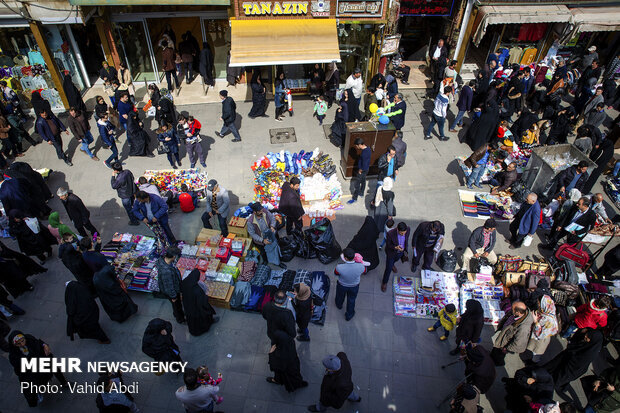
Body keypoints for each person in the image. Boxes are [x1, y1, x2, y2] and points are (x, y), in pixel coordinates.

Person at [262, 289, 308, 392]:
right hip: (285, 342)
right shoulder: (287, 314)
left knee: (276, 359)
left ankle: (277, 379)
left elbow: (264, 316)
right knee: (291, 363)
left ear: (274, 298)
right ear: (284, 300)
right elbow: (292, 333)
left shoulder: (267, 306)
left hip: (273, 336)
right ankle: (295, 382)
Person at [8, 331, 69, 407]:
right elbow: (19, 369)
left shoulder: (29, 338)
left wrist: (44, 345)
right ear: (14, 345)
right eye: (18, 344)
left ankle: (64, 383)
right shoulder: (13, 355)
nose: (22, 344)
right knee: (34, 385)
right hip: (31, 372)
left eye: (23, 341)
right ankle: (37, 394)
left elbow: (38, 342)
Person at [543, 328, 604, 392]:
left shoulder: (589, 354)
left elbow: (576, 360)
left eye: (589, 336)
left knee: (554, 380)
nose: (586, 336)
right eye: (587, 334)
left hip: (571, 370)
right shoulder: (588, 345)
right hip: (567, 361)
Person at [491, 301, 534, 366]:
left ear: (518, 312)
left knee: (498, 355)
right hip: (503, 335)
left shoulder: (523, 328)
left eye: (512, 309)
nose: (511, 310)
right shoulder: (519, 314)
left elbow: (518, 343)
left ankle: (496, 363)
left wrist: (507, 348)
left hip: (504, 344)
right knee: (495, 350)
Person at [181, 269, 218, 336]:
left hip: (188, 305)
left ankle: (193, 331)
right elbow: (202, 301)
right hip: (197, 308)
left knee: (192, 320)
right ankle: (203, 329)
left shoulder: (185, 282)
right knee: (202, 318)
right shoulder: (197, 290)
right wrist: (206, 297)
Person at [334, 248, 365, 321]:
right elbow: (363, 271)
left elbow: (336, 273)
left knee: (339, 296)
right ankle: (349, 314)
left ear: (345, 258)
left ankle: (339, 305)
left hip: (342, 285)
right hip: (354, 286)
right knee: (351, 300)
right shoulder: (361, 266)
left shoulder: (339, 267)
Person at [524, 295, 558, 363]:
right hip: (541, 337)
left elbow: (540, 334)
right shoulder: (548, 310)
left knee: (536, 352)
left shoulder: (548, 320)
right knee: (535, 349)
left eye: (539, 302)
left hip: (542, 339)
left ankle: (534, 363)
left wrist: (535, 321)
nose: (538, 304)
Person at [155, 247, 185, 324]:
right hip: (173, 291)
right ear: (174, 257)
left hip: (173, 287)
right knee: (176, 306)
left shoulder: (164, 261)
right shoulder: (166, 271)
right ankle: (180, 318)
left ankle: (178, 313)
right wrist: (174, 296)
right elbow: (168, 286)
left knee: (176, 305)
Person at [381, 221, 410, 292]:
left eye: (404, 232)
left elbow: (406, 240)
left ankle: (392, 265)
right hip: (392, 253)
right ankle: (384, 282)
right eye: (401, 233)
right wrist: (395, 247)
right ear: (397, 230)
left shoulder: (408, 229)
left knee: (396, 260)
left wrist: (404, 250)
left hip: (401, 252)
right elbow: (388, 245)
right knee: (388, 269)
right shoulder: (390, 233)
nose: (403, 234)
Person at [348, 138, 371, 205]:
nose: (356, 147)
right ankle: (361, 193)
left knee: (356, 185)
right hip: (366, 169)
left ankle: (354, 198)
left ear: (360, 145)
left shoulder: (364, 153)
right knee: (363, 181)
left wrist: (360, 170)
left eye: (357, 146)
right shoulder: (368, 149)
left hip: (362, 170)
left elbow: (364, 163)